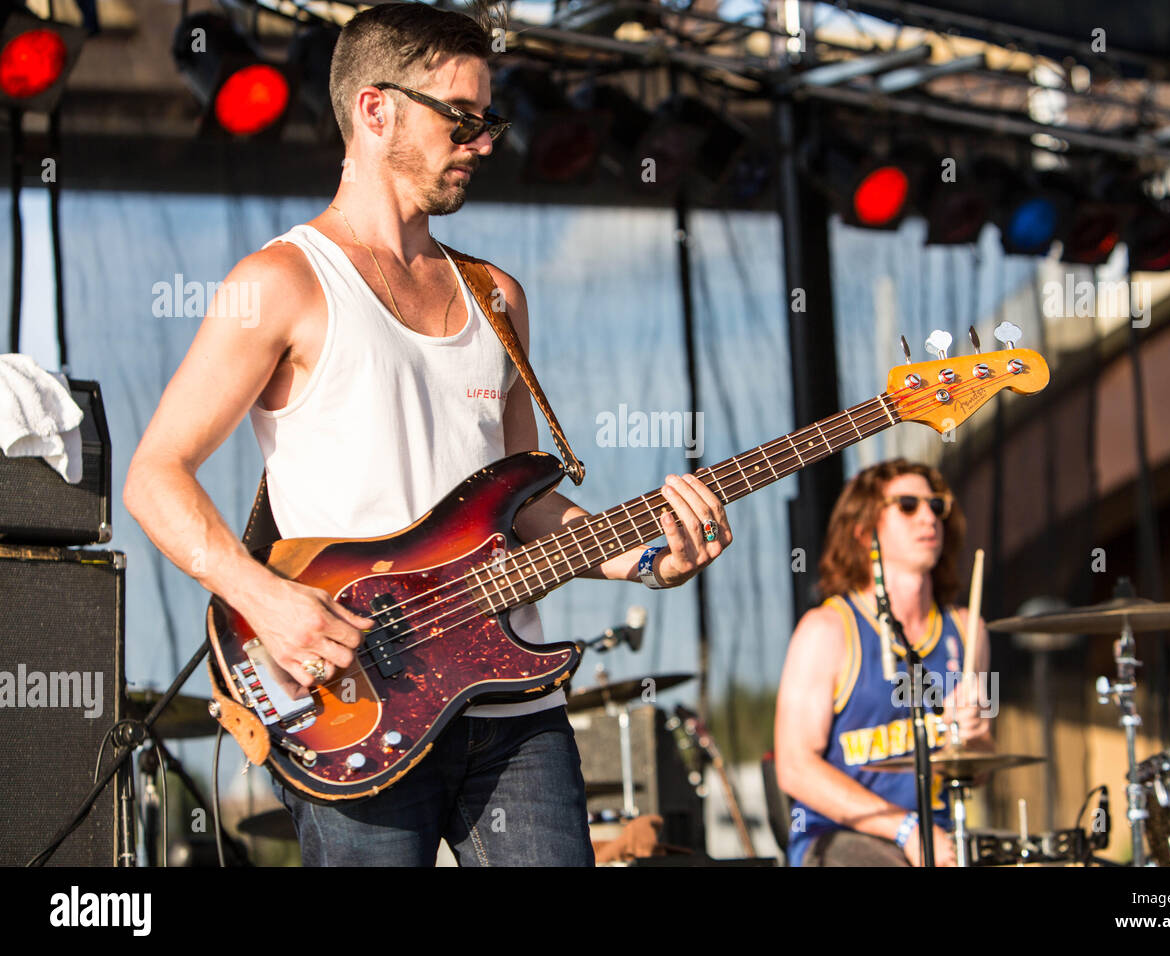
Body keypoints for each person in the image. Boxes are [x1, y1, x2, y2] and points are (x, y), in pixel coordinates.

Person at [123, 4, 733, 867]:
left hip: (510, 706)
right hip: (352, 695)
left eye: (491, 120)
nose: (484, 140)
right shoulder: (280, 281)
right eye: (463, 117)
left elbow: (521, 507)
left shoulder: (499, 297)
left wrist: (645, 558)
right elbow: (155, 474)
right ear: (376, 108)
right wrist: (264, 599)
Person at [774, 458, 992, 866]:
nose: (928, 516)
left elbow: (980, 770)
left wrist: (976, 736)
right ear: (863, 530)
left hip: (941, 837)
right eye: (907, 505)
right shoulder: (827, 629)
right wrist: (905, 828)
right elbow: (794, 766)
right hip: (841, 838)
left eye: (937, 506)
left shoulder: (969, 631)